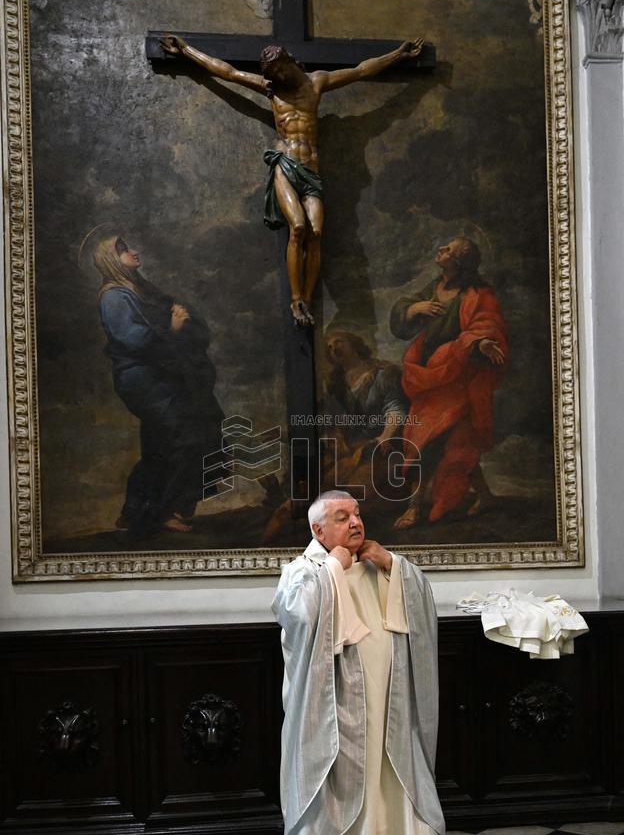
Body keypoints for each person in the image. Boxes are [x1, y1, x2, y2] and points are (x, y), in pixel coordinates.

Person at [272, 489, 483, 835]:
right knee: (340, 802)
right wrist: (334, 567)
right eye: (342, 516)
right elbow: (299, 617)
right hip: (337, 721)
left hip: (391, 712)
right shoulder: (303, 572)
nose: (355, 522)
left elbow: (421, 605)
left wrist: (393, 566)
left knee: (403, 797)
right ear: (318, 530)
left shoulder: (378, 563)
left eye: (357, 514)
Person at [160, 35, 423, 326]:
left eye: (280, 71)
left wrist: (398, 55)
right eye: (272, 75)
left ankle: (306, 300)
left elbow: (361, 70)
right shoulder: (272, 89)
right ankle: (295, 297)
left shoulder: (317, 82)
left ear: (289, 62)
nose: (277, 78)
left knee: (317, 233)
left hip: (311, 170)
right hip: (285, 165)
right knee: (297, 227)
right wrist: (185, 50)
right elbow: (228, 72)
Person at [90, 232, 224, 535]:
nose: (134, 252)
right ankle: (167, 510)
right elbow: (134, 340)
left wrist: (181, 319)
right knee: (184, 435)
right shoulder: (114, 295)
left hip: (158, 376)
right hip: (141, 379)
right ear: (111, 260)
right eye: (124, 250)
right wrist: (172, 327)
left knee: (161, 442)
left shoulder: (136, 289)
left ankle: (136, 513)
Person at [390, 237, 507, 528]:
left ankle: (414, 507)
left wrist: (478, 344)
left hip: (458, 376)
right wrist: (415, 309)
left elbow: (487, 324)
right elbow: (403, 317)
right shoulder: (434, 288)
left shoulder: (478, 293)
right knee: (450, 441)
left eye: (448, 250)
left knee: (430, 440)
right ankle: (485, 495)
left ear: (458, 262)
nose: (440, 250)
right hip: (429, 374)